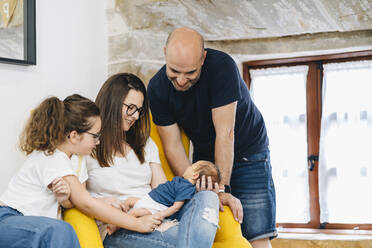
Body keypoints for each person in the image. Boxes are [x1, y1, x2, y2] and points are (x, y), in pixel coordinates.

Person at [147, 27, 277, 248]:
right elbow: (173, 146)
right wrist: (191, 182)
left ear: (203, 58)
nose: (180, 80)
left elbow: (225, 134)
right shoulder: (158, 87)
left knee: (256, 234)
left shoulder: (222, 67)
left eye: (190, 73)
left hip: (249, 152)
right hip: (206, 157)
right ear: (165, 53)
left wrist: (222, 189)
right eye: (174, 71)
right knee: (212, 228)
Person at [0, 94, 161, 248]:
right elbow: (86, 203)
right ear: (74, 136)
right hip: (9, 219)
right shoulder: (53, 156)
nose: (98, 142)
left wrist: (64, 199)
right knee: (59, 231)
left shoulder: (76, 161)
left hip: (32, 225)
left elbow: (75, 202)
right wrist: (136, 224)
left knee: (58, 230)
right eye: (95, 136)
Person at [86, 72, 220, 248]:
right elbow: (77, 196)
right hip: (120, 227)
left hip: (158, 213)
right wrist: (100, 202)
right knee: (188, 237)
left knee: (207, 197)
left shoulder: (145, 144)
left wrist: (191, 189)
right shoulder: (87, 145)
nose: (135, 116)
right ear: (112, 103)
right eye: (130, 107)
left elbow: (162, 189)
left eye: (139, 110)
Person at [106, 160, 220, 234]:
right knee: (129, 200)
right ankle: (121, 215)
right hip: (150, 198)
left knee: (135, 212)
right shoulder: (182, 181)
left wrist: (160, 215)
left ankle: (114, 227)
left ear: (195, 175)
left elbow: (176, 207)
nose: (188, 167)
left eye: (192, 166)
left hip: (156, 207)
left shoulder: (186, 188)